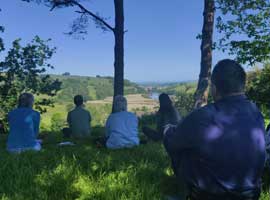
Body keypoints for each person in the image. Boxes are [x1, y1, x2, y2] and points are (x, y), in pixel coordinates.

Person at [164, 59, 266, 200]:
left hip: (210, 195)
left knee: (181, 149)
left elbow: (172, 143)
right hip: (251, 194)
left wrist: (167, 130)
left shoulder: (203, 116)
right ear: (243, 86)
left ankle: (185, 194)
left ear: (214, 88)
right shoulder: (257, 113)